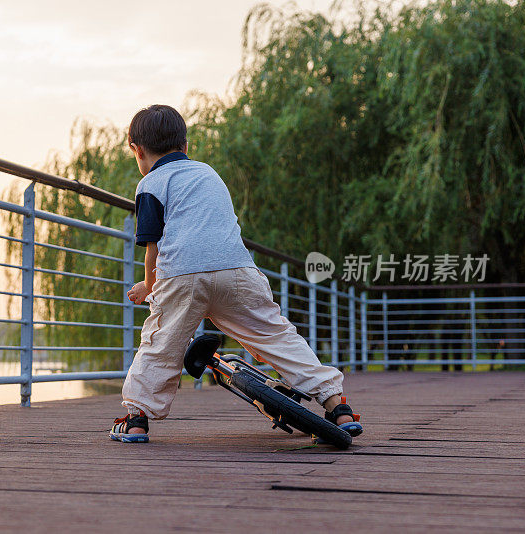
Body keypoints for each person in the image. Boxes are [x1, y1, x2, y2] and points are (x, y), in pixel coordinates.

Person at [109, 104, 363, 443]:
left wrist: (149, 287)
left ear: (135, 149)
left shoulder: (150, 184)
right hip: (238, 272)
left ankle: (137, 418)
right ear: (185, 147)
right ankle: (337, 405)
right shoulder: (209, 174)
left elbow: (152, 248)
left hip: (183, 277)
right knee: (275, 336)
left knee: (160, 344)